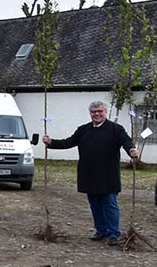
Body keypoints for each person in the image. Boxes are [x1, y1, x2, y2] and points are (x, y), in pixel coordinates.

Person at [43, 101, 137, 246]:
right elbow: (69, 142)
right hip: (89, 174)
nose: (97, 114)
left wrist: (131, 150)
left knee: (109, 204)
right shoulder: (83, 130)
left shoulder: (116, 129)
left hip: (108, 175)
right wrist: (51, 142)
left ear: (105, 112)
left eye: (100, 111)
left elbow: (126, 141)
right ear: (90, 113)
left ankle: (113, 233)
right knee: (95, 205)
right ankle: (101, 231)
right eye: (94, 112)